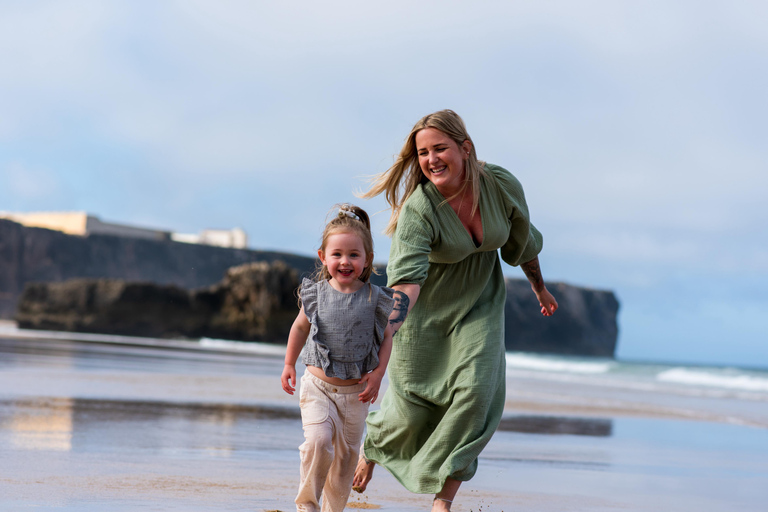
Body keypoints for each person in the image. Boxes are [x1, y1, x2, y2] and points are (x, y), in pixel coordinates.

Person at [353, 110, 558, 510]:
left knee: (477, 394)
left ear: (465, 148)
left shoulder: (500, 185)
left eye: (439, 148)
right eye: (423, 153)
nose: (431, 160)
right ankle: (373, 447)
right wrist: (386, 337)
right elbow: (406, 282)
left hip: (480, 305)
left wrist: (539, 287)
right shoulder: (420, 209)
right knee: (410, 411)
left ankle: (442, 500)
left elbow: (522, 242)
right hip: (425, 315)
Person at [281, 204, 396, 512]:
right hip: (317, 386)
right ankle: (307, 505)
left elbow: (386, 339)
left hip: (355, 395)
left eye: (354, 255)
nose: (345, 261)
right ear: (323, 257)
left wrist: (378, 374)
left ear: (367, 259)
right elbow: (299, 327)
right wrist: (289, 363)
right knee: (318, 442)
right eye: (337, 254)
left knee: (345, 460)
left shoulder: (375, 299)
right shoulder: (315, 294)